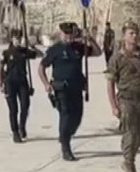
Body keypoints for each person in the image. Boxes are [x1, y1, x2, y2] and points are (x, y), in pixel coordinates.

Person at [39, 22, 102, 161]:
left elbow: (98, 53)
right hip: (62, 88)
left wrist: (90, 39)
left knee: (77, 116)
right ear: (61, 34)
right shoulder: (54, 50)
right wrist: (45, 84)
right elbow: (41, 67)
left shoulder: (78, 48)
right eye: (65, 34)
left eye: (70, 34)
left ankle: (66, 135)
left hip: (77, 87)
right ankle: (66, 147)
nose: (68, 37)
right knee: (65, 115)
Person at [106, 22, 140, 172]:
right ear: (124, 36)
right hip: (126, 100)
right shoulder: (117, 58)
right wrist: (113, 105)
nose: (135, 36)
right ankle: (130, 166)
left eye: (136, 33)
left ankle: (127, 155)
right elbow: (110, 83)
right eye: (131, 33)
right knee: (131, 134)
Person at [0, 28, 41, 143]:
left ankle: (22, 126)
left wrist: (31, 46)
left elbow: (40, 55)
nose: (18, 40)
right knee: (13, 109)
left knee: (25, 106)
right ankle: (15, 132)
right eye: (16, 38)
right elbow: (1, 68)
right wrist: (0, 82)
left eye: (19, 38)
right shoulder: (6, 53)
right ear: (12, 39)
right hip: (10, 82)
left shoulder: (24, 51)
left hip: (22, 82)